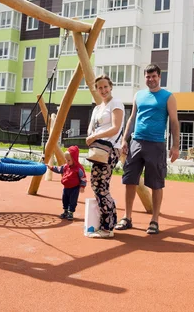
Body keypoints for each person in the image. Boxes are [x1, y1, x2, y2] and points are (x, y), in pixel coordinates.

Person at [115, 64, 179, 235]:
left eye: (154, 76)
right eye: (148, 77)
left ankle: (154, 220)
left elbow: (174, 122)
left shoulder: (168, 97)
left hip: (156, 144)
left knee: (156, 184)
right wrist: (124, 140)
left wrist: (175, 146)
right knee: (129, 181)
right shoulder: (139, 95)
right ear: (144, 78)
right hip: (136, 142)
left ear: (159, 77)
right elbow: (132, 118)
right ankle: (127, 217)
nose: (151, 79)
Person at [85, 75, 125, 239]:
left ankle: (107, 227)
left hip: (109, 149)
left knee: (101, 186)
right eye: (99, 88)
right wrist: (91, 136)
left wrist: (95, 137)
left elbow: (116, 128)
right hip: (98, 149)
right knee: (96, 184)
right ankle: (109, 221)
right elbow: (92, 128)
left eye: (105, 87)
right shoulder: (97, 108)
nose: (103, 90)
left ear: (111, 87)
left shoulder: (116, 104)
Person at [47, 145, 87, 221]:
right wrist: (51, 167)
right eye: (66, 160)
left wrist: (82, 186)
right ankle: (65, 211)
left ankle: (71, 212)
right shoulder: (66, 166)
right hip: (66, 187)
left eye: (69, 160)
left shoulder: (78, 168)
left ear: (74, 159)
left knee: (72, 201)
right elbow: (59, 169)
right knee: (64, 199)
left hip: (74, 188)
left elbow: (83, 177)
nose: (67, 162)